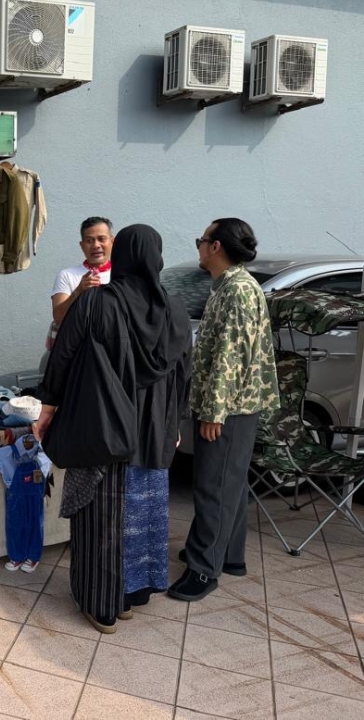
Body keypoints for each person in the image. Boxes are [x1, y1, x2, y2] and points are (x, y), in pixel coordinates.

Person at [34, 225, 191, 634]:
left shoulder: (96, 303)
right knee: (144, 513)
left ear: (120, 256)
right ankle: (131, 597)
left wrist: (47, 407)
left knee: (102, 515)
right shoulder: (174, 310)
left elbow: (62, 357)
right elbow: (183, 375)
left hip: (102, 426)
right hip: (153, 430)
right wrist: (175, 422)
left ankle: (102, 604)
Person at [169, 218, 278, 602]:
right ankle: (229, 555)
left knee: (213, 486)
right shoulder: (231, 285)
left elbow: (230, 357)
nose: (198, 245)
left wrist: (214, 412)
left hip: (228, 409)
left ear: (215, 247)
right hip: (234, 406)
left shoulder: (237, 290)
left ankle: (203, 570)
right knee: (229, 484)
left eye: (201, 239)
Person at [39, 217, 114, 372]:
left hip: (112, 355)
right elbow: (58, 316)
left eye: (102, 239)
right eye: (89, 240)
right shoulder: (68, 275)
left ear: (112, 241)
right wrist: (78, 291)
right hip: (76, 359)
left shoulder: (122, 275)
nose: (96, 245)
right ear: (82, 245)